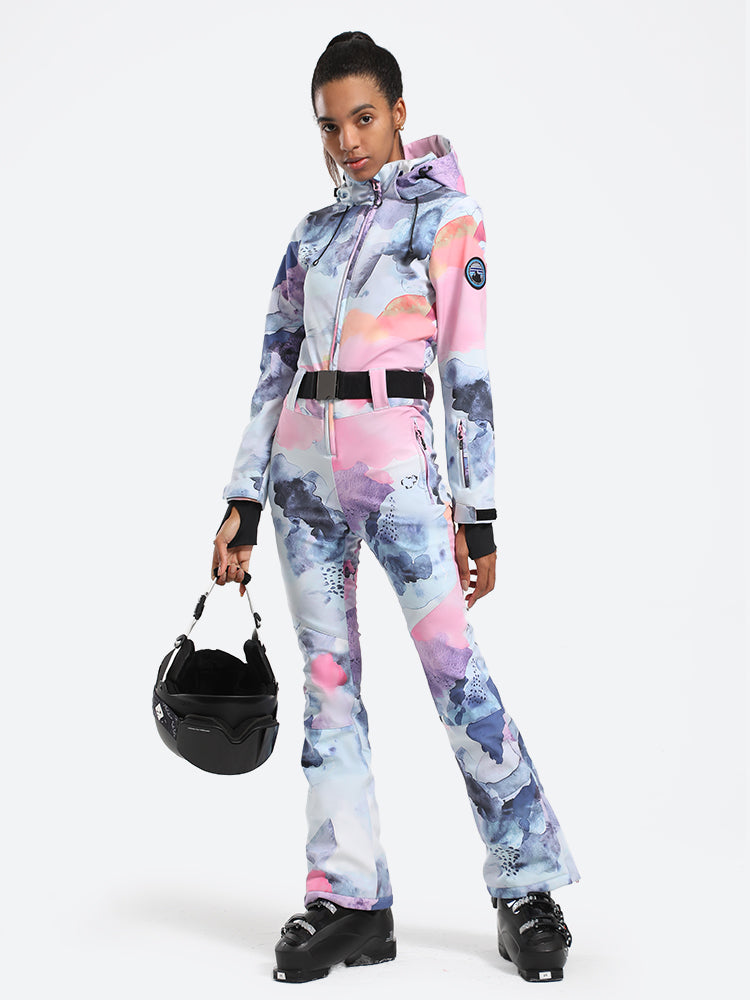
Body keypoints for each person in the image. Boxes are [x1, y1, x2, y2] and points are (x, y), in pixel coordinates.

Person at [211, 30, 581, 985]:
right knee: (328, 687)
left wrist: (480, 512)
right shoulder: (311, 235)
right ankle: (350, 901)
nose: (347, 142)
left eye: (363, 119)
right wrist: (243, 498)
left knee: (458, 677)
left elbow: (467, 371)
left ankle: (526, 886)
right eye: (330, 126)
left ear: (399, 113)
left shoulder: (447, 218)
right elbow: (272, 371)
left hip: (404, 478)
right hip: (302, 482)